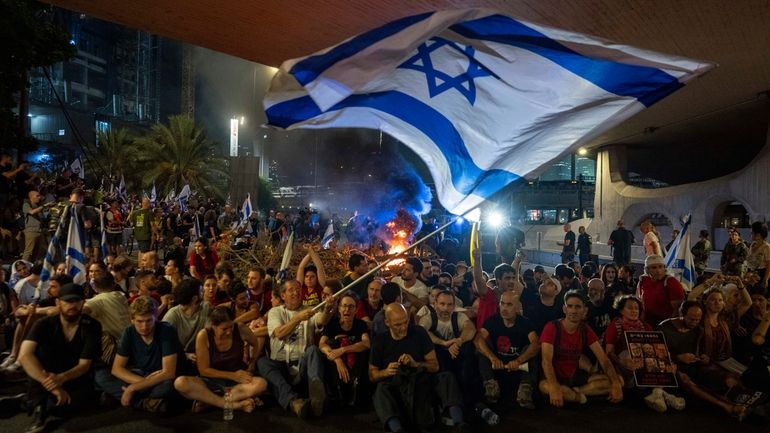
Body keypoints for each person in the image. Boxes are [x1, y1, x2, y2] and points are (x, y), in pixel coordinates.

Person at [18, 283, 101, 433]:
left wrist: (61, 378)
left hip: (73, 377)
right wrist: (53, 385)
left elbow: (84, 365)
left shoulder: (92, 326)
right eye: (68, 301)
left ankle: (28, 401)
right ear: (58, 302)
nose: (73, 305)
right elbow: (24, 355)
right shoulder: (44, 324)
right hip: (45, 376)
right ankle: (38, 408)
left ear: (83, 302)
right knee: (36, 363)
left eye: (77, 301)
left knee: (72, 405)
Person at [369, 304, 465, 433]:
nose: (403, 328)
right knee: (381, 390)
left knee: (446, 377)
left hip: (421, 381)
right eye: (398, 325)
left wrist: (416, 364)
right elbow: (372, 375)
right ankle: (397, 429)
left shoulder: (419, 332)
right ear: (387, 322)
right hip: (397, 385)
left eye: (405, 322)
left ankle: (459, 423)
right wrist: (386, 372)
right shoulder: (380, 341)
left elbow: (434, 366)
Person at [659, 300, 750, 420]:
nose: (695, 323)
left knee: (726, 376)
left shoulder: (698, 329)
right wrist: (678, 357)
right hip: (672, 367)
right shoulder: (665, 328)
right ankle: (728, 407)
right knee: (687, 381)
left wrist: (703, 357)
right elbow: (656, 354)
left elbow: (700, 352)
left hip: (693, 365)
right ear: (682, 314)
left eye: (698, 319)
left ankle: (745, 401)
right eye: (691, 319)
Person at [257, 279, 332, 418]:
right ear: (283, 295)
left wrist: (327, 309)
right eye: (291, 290)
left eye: (298, 289)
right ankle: (294, 402)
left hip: (302, 367)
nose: (296, 292)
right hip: (282, 367)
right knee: (262, 362)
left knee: (313, 351)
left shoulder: (309, 310)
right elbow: (279, 333)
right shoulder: (275, 312)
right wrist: (297, 318)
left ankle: (316, 395)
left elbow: (321, 320)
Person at [173, 306, 267, 414]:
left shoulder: (240, 329)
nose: (228, 332)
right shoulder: (204, 335)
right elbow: (204, 370)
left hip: (235, 384)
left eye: (231, 327)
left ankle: (209, 401)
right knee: (180, 383)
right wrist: (233, 375)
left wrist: (252, 364)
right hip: (211, 381)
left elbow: (255, 343)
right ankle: (234, 405)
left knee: (261, 384)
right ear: (213, 326)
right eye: (224, 329)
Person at [95, 296, 181, 413]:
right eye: (139, 321)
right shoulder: (129, 332)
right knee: (101, 376)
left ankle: (122, 396)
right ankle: (144, 403)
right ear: (132, 319)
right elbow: (117, 369)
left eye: (149, 321)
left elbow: (169, 373)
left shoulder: (166, 330)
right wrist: (142, 383)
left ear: (155, 318)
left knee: (170, 386)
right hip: (140, 374)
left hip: (159, 378)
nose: (144, 327)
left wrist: (133, 388)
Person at [539, 291, 623, 407]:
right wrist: (554, 386)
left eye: (578, 307)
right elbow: (546, 361)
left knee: (618, 381)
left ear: (584, 310)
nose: (573, 310)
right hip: (554, 377)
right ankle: (582, 397)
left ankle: (575, 395)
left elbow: (603, 359)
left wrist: (615, 383)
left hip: (575, 378)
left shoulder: (584, 329)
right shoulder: (552, 327)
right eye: (570, 306)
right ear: (564, 309)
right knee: (544, 386)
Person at [475, 291, 539, 408]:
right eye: (502, 303)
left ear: (517, 307)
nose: (504, 308)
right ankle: (491, 387)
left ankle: (525, 390)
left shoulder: (525, 323)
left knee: (530, 350)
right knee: (482, 349)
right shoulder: (492, 321)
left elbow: (535, 344)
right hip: (497, 365)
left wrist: (519, 360)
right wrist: (492, 358)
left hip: (519, 367)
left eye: (509, 305)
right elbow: (479, 340)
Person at [319, 293, 371, 407]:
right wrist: (337, 358)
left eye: (351, 306)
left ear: (356, 310)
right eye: (344, 306)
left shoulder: (360, 324)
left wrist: (343, 350)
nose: (347, 309)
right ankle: (336, 392)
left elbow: (366, 343)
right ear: (339, 308)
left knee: (362, 351)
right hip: (336, 365)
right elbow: (322, 344)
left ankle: (356, 390)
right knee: (330, 346)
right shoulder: (332, 324)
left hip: (355, 364)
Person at [83, 273, 130, 367]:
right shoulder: (120, 296)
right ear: (113, 284)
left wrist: (46, 310)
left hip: (114, 352)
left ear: (95, 286)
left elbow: (77, 310)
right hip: (130, 345)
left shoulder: (98, 301)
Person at [163, 279, 212, 356]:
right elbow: (164, 345)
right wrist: (185, 355)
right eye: (202, 291)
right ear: (194, 298)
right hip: (179, 357)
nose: (204, 293)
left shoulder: (206, 308)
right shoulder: (172, 316)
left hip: (201, 353)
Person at [637, 255, 685, 327]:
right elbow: (641, 303)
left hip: (665, 323)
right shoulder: (643, 280)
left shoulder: (671, 282)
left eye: (660, 267)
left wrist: (668, 326)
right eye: (654, 268)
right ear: (647, 269)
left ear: (664, 268)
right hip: (647, 321)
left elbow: (677, 310)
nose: (658, 270)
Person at [22, 190, 49, 262]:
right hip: (31, 231)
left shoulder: (37, 206)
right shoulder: (26, 204)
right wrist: (43, 206)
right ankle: (23, 266)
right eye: (37, 196)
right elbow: (32, 212)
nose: (39, 197)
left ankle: (31, 266)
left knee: (37, 252)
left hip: (39, 230)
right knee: (28, 251)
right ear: (31, 197)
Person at [747, 222, 770, 289]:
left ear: (758, 234)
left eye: (752, 232)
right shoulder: (753, 244)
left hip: (760, 274)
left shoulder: (766, 247)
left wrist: (765, 279)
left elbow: (769, 265)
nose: (750, 234)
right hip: (751, 273)